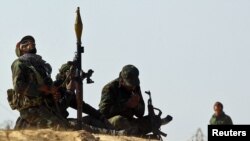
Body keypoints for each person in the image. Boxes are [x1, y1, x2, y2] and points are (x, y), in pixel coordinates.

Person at [8, 35, 69, 129]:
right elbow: (19, 86)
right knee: (59, 128)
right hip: (31, 109)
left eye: (32, 42)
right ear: (21, 48)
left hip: (45, 107)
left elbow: (48, 86)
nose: (31, 43)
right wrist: (44, 89)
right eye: (26, 42)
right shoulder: (19, 63)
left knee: (66, 125)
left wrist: (53, 93)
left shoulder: (41, 65)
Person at [98, 64, 169, 136]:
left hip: (130, 122)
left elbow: (140, 114)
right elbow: (104, 112)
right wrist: (126, 105)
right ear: (122, 81)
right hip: (111, 122)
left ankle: (134, 132)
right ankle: (135, 133)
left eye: (134, 85)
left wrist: (136, 105)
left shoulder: (135, 87)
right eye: (130, 85)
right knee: (119, 120)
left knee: (153, 120)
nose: (133, 87)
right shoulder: (110, 88)